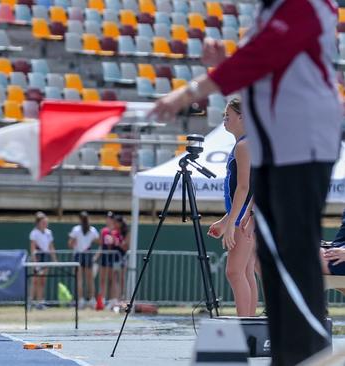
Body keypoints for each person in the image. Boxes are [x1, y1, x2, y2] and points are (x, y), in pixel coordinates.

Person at [149, 1, 341, 362]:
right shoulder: (269, 12)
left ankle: (308, 351)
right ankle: (288, 352)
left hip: (304, 141)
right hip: (276, 142)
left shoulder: (305, 5)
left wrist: (190, 91)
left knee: (293, 253)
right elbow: (260, 75)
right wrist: (223, 69)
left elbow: (262, 57)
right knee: (270, 257)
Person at [207, 98, 258, 317]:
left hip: (244, 219)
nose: (225, 120)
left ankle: (245, 326)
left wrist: (233, 224)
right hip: (244, 216)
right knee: (245, 271)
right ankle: (248, 325)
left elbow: (244, 188)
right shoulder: (245, 144)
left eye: (229, 116)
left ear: (242, 117)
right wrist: (225, 220)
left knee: (234, 272)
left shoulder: (244, 146)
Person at [68, 211, 100, 309]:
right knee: (90, 280)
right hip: (87, 254)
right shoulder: (92, 230)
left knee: (80, 279)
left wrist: (76, 243)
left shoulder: (76, 230)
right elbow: (99, 242)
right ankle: (91, 300)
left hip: (80, 255)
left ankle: (82, 300)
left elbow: (70, 244)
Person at [29, 211, 58, 309]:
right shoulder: (34, 233)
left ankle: (40, 302)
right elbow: (32, 249)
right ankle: (30, 301)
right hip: (38, 257)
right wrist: (35, 263)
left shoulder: (49, 233)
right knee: (35, 280)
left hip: (46, 257)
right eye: (43, 222)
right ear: (38, 223)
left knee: (42, 281)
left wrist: (54, 259)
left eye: (46, 223)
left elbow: (51, 247)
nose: (45, 224)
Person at [96, 211, 119, 308]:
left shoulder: (117, 231)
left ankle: (113, 300)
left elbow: (118, 243)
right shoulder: (103, 231)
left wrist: (113, 239)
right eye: (107, 218)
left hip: (113, 258)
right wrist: (96, 257)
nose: (108, 220)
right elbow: (101, 245)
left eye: (110, 218)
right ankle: (102, 299)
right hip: (104, 257)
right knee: (102, 279)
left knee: (112, 280)